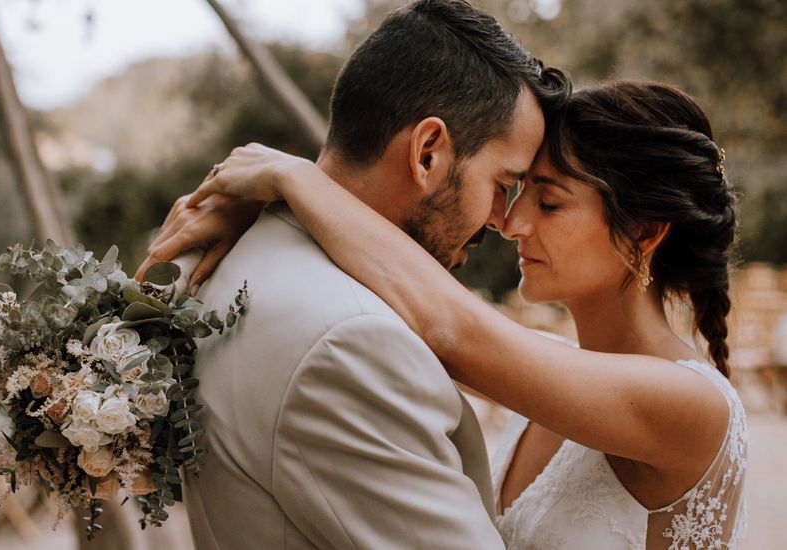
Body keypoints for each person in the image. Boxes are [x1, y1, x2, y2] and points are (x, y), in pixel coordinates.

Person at [140, 81, 748, 549]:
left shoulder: (689, 405)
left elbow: (446, 324)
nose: (511, 224)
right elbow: (389, 317)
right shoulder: (554, 375)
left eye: (551, 201)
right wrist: (268, 220)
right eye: (517, 191)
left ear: (643, 231)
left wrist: (294, 179)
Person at [134, 1, 568, 548]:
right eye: (504, 184)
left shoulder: (234, 258)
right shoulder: (355, 343)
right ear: (427, 153)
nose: (506, 222)